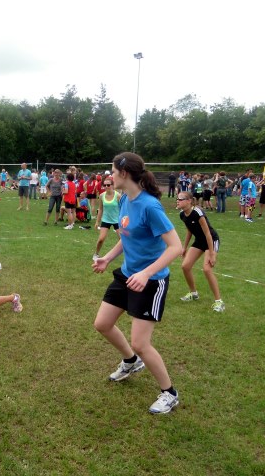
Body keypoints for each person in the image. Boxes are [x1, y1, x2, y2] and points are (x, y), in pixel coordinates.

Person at [92, 152, 182, 414]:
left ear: (124, 173)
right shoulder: (124, 199)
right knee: (102, 324)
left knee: (141, 343)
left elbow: (175, 247)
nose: (110, 176)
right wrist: (108, 258)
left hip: (151, 281)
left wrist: (145, 273)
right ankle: (131, 361)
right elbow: (126, 235)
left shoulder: (150, 206)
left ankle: (169, 393)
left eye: (112, 171)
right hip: (127, 274)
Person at [176, 191, 225, 312]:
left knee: (207, 269)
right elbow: (189, 231)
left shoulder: (198, 212)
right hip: (199, 241)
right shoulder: (182, 214)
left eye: (180, 199)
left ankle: (219, 302)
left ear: (189, 201)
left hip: (211, 240)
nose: (177, 201)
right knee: (185, 266)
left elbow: (208, 234)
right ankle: (194, 293)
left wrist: (212, 254)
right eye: (177, 199)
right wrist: (184, 247)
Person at [93, 177, 121, 260]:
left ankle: (128, 256)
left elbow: (123, 209)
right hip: (106, 220)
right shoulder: (102, 196)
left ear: (112, 185)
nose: (106, 187)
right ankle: (96, 254)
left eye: (108, 185)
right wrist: (97, 222)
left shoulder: (118, 196)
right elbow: (100, 209)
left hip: (117, 220)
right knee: (101, 239)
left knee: (122, 240)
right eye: (104, 185)